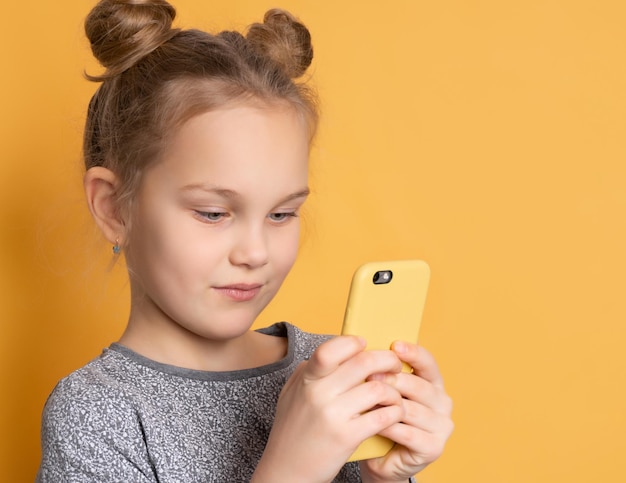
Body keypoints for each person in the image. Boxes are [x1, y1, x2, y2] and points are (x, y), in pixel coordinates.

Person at [36, 1, 454, 481]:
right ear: (113, 207)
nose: (255, 253)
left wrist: (387, 476)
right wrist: (291, 467)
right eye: (213, 213)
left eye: (281, 213)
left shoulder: (331, 379)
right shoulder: (99, 416)